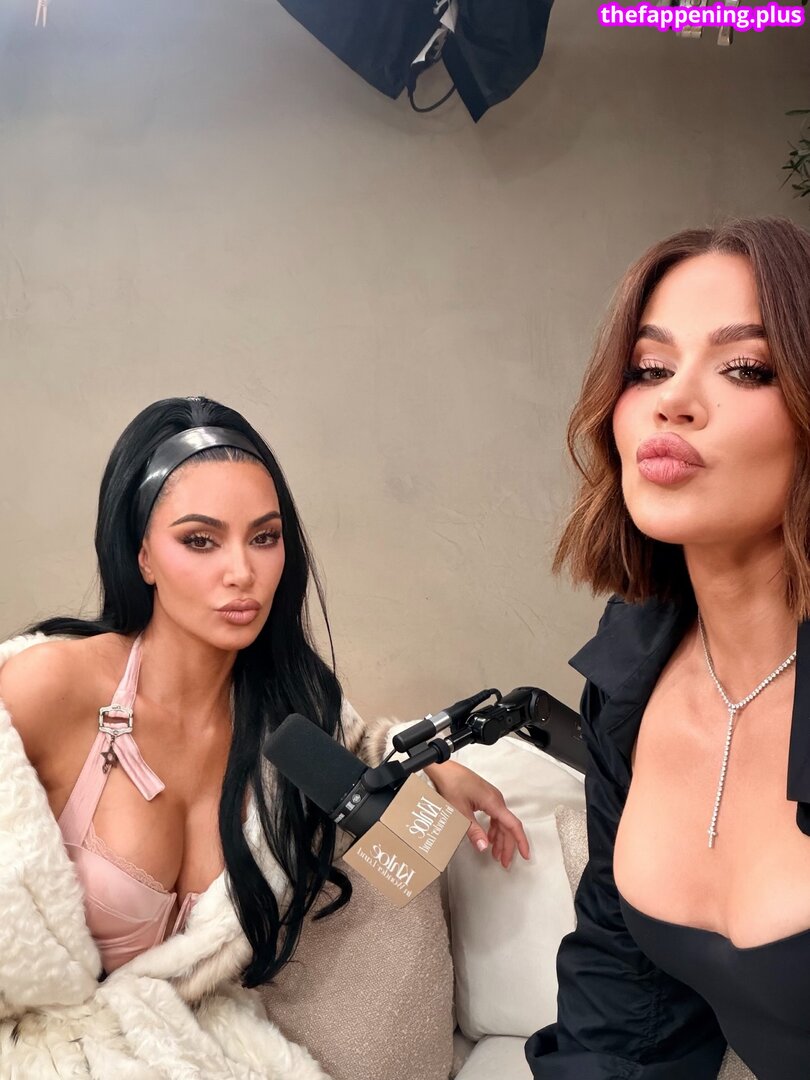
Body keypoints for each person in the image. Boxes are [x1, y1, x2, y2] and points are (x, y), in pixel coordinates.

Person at [0, 395, 528, 1078]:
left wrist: (429, 764)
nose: (242, 572)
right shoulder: (50, 686)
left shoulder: (289, 717)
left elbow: (364, 763)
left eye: (264, 537)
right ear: (142, 554)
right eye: (199, 540)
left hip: (178, 1052)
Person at [526, 217, 810, 1080]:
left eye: (746, 368)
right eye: (649, 368)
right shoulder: (629, 687)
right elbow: (624, 1024)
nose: (672, 400)